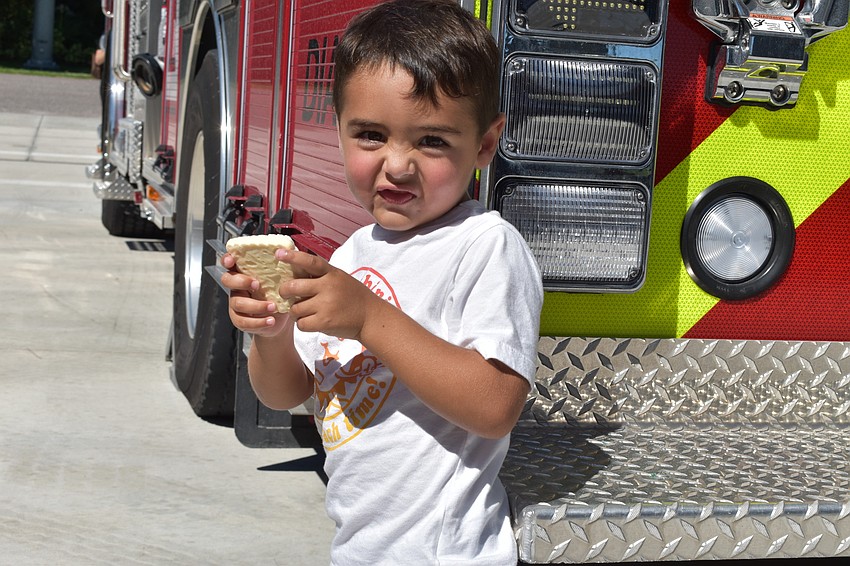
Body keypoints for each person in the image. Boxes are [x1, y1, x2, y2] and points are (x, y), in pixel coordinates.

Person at [221, 0, 543, 563]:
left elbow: (495, 406)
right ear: (337, 126)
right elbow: (287, 392)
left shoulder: (484, 247)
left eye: (433, 141)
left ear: (485, 146)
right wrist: (269, 334)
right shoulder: (351, 255)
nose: (397, 165)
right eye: (370, 135)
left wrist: (369, 317)